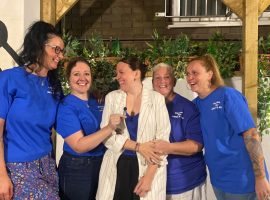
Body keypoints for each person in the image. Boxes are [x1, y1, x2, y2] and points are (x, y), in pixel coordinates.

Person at [186, 54, 270, 200]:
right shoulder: (195, 105)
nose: (190, 77)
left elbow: (251, 135)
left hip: (243, 181)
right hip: (219, 181)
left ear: (210, 74)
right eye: (187, 74)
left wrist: (261, 178)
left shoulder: (227, 96)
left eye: (195, 73)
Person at [0, 21, 64, 199]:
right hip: (18, 167)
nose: (60, 55)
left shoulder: (54, 86)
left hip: (48, 165)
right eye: (56, 49)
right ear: (39, 45)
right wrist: (2, 176)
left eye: (62, 51)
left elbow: (64, 125)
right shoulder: (9, 79)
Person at [96, 57, 171, 200]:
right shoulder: (112, 98)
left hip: (147, 166)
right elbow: (106, 136)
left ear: (136, 74)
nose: (117, 77)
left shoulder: (157, 99)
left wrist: (149, 177)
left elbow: (163, 141)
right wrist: (139, 147)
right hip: (117, 167)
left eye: (121, 72)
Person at [55, 57, 122, 200]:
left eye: (86, 73)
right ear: (68, 78)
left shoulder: (97, 100)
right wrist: (110, 127)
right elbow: (79, 145)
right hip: (77, 169)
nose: (82, 78)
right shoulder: (66, 107)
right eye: (76, 74)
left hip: (102, 163)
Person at [152, 63, 207, 200]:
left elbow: (196, 145)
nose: (162, 81)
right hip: (155, 183)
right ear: (152, 82)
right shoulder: (146, 106)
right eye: (157, 78)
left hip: (185, 182)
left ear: (174, 81)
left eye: (166, 77)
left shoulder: (188, 108)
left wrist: (168, 147)